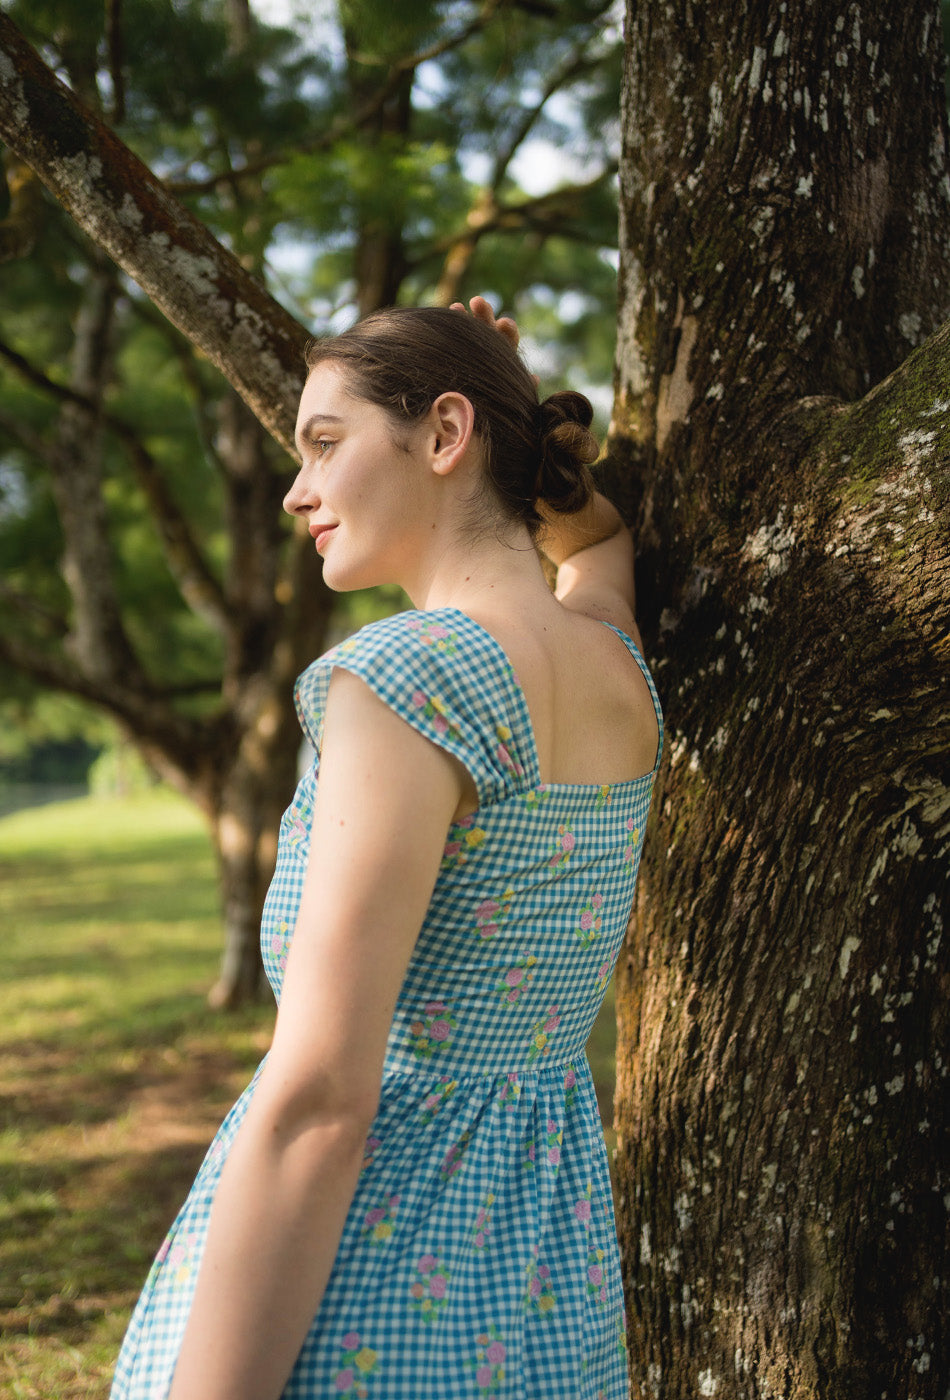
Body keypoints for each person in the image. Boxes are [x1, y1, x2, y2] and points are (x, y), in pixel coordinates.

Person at [109, 297, 662, 1400]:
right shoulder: (614, 660)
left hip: (364, 1280)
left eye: (324, 442)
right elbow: (597, 537)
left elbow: (321, 1099)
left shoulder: (408, 679)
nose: (295, 489)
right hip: (541, 1292)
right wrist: (511, 420)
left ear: (444, 432)